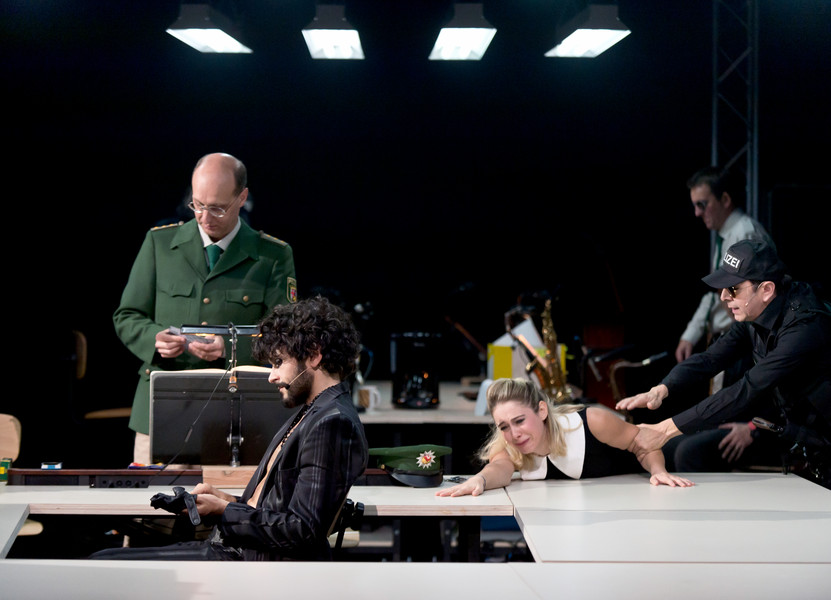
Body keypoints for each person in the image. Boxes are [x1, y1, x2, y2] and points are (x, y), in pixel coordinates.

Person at [92, 296, 369, 561]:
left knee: (104, 563)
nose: (271, 376)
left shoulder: (333, 423)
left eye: (278, 363)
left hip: (250, 562)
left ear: (314, 355)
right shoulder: (315, 412)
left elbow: (303, 531)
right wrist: (225, 501)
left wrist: (225, 511)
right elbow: (274, 511)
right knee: (105, 559)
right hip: (237, 552)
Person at [114, 152, 298, 464]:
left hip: (239, 416)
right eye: (197, 205)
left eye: (217, 208)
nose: (204, 216)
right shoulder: (160, 244)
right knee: (155, 497)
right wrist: (155, 339)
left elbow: (286, 334)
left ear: (242, 198)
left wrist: (229, 347)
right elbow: (127, 316)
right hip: (161, 412)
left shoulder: (272, 256)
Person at [617, 240, 831, 486]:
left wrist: (664, 429)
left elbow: (748, 388)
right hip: (797, 433)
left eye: (733, 289)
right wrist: (662, 389)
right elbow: (710, 358)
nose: (723, 296)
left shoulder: (804, 327)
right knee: (674, 448)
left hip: (820, 437)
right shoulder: (757, 313)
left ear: (766, 290)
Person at [436, 378, 693, 498]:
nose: (513, 433)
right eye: (503, 426)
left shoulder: (593, 421)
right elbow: (499, 469)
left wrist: (658, 472)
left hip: (659, 484)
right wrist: (479, 480)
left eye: (519, 420)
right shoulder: (509, 443)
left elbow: (644, 444)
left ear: (542, 410)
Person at [675, 167, 774, 377]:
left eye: (702, 204)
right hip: (731, 340)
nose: (697, 213)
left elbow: (754, 299)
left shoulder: (744, 234)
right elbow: (716, 294)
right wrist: (691, 334)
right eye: (695, 205)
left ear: (725, 199)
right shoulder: (728, 235)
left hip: (743, 342)